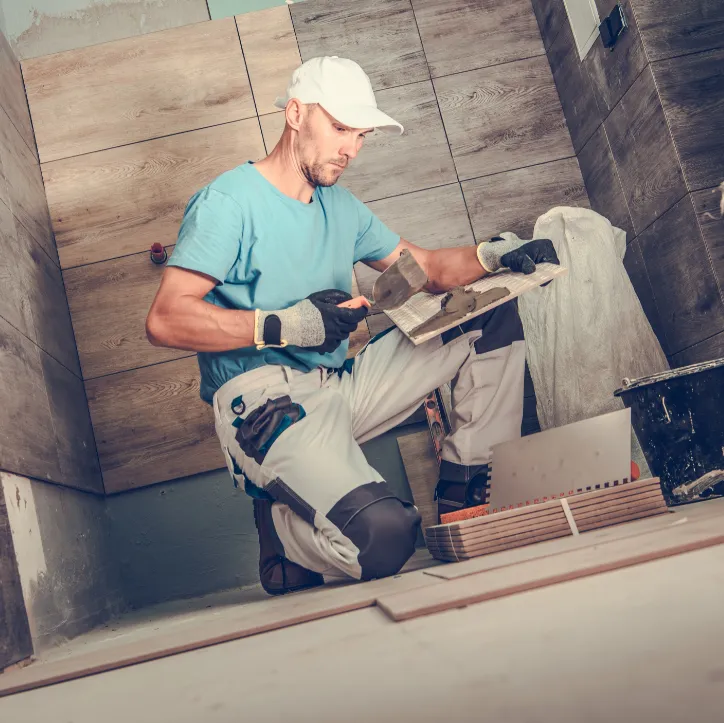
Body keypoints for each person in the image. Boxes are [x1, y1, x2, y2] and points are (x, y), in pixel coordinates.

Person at [146, 56, 559, 595]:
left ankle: (467, 495)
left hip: (342, 386)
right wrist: (287, 325)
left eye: (360, 134)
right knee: (385, 539)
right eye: (340, 128)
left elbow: (428, 269)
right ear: (296, 114)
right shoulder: (229, 203)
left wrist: (494, 256)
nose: (351, 148)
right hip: (267, 404)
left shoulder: (341, 206)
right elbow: (165, 318)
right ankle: (280, 531)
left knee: (486, 315)